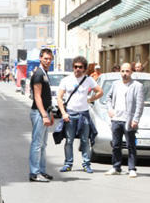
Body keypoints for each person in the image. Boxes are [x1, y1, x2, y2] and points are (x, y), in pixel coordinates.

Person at [57, 55, 103, 173]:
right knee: (69, 140)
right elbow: (59, 98)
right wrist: (63, 113)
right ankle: (68, 164)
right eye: (75, 67)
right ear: (73, 67)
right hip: (70, 114)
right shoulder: (66, 80)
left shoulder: (88, 80)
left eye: (80, 67)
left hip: (84, 114)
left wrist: (90, 99)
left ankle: (86, 164)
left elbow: (100, 92)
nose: (77, 69)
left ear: (84, 68)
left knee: (84, 141)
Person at [105, 63, 144, 178]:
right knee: (116, 145)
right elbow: (108, 98)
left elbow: (140, 105)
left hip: (129, 120)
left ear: (131, 72)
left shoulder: (137, 86)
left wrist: (136, 119)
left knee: (131, 145)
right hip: (116, 119)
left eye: (127, 71)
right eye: (122, 71)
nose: (124, 74)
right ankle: (116, 167)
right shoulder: (115, 84)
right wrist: (110, 109)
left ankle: (131, 168)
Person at [29, 48, 54, 182]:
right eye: (45, 58)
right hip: (39, 113)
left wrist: (49, 114)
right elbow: (37, 97)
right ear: (40, 58)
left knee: (43, 145)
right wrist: (44, 114)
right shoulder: (38, 74)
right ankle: (34, 173)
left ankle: (42, 171)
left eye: (50, 59)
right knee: (37, 144)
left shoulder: (44, 73)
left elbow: (46, 97)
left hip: (45, 112)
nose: (48, 61)